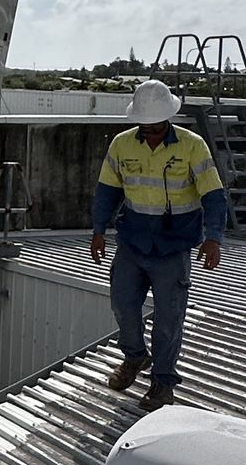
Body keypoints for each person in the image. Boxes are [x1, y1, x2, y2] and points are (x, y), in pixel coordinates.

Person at [90, 77, 228, 410]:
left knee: (169, 319)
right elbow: (107, 191)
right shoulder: (122, 145)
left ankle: (163, 383)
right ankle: (135, 357)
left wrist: (213, 239)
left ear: (169, 119)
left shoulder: (192, 145)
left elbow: (214, 194)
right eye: (145, 128)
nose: (151, 133)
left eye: (156, 127)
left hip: (173, 244)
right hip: (133, 240)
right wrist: (97, 230)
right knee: (123, 305)